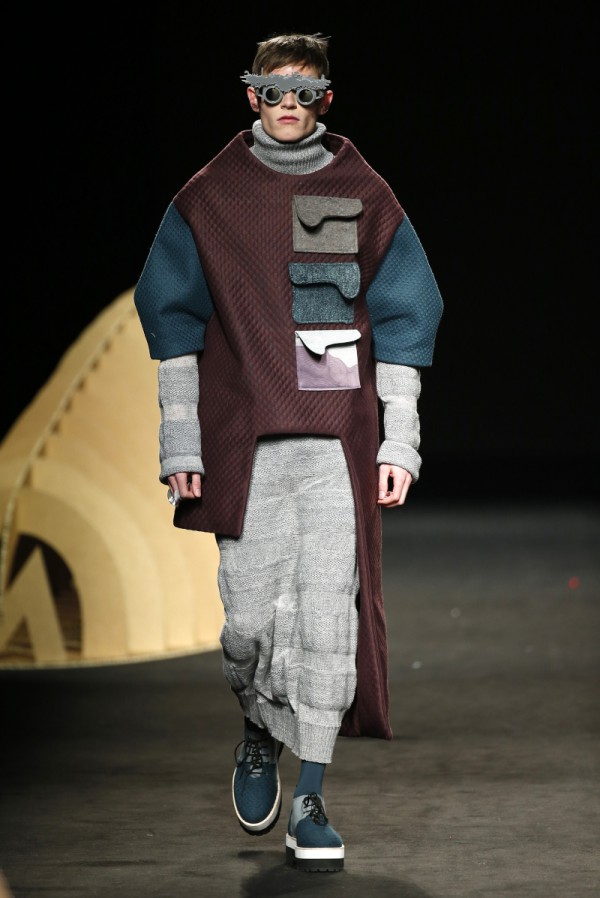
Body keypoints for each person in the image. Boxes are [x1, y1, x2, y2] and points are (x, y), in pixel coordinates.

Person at [134, 32, 443, 873]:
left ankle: (311, 797)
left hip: (336, 441)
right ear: (251, 95)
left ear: (326, 100)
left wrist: (400, 440)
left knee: (325, 620)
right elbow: (173, 324)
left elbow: (407, 316)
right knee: (247, 625)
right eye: (273, 91)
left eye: (305, 93)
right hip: (247, 441)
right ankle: (255, 727)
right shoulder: (212, 197)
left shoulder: (360, 190)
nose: (288, 107)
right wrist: (180, 440)